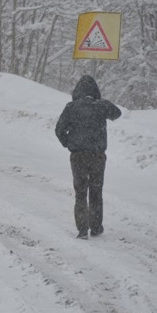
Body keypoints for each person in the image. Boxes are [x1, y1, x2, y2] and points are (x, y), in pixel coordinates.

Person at [55, 75, 121, 239]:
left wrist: (68, 143)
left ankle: (82, 229)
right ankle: (96, 227)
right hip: (97, 156)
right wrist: (101, 103)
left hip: (78, 156)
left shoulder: (71, 107)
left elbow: (59, 130)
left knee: (80, 192)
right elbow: (117, 113)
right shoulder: (101, 106)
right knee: (96, 191)